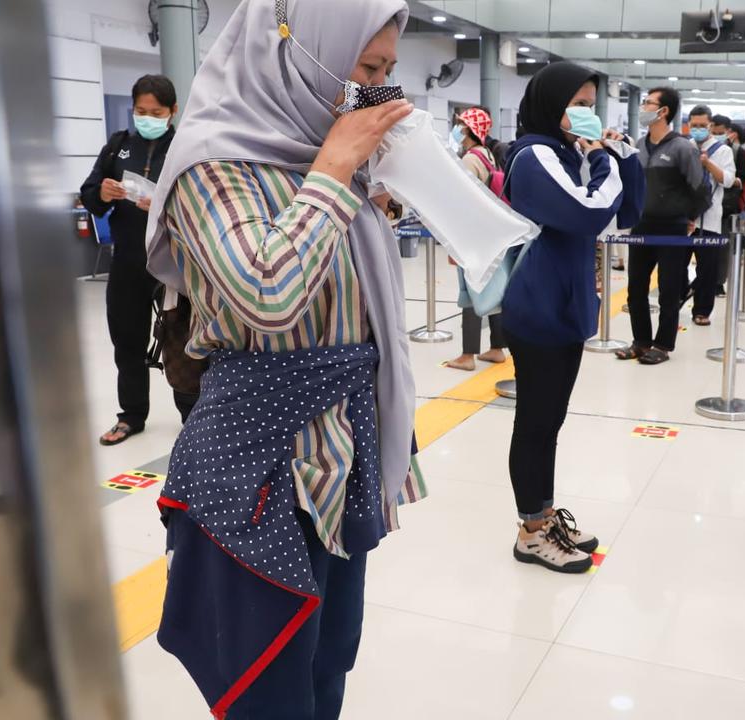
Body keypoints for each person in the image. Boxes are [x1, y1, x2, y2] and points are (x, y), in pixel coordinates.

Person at [141, 0, 428, 716]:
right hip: (258, 469)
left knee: (329, 665)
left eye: (388, 72)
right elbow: (265, 296)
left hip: (340, 457)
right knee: (268, 688)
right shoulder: (212, 164)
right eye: (366, 69)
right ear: (297, 51)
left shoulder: (323, 156)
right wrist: (335, 167)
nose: (375, 91)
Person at [501, 61, 644, 572]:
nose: (587, 114)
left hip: (566, 304)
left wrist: (624, 159)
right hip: (539, 305)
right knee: (536, 422)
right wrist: (605, 162)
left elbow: (626, 214)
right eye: (578, 105)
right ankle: (530, 532)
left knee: (550, 422)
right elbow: (587, 213)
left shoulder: (568, 152)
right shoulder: (534, 155)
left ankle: (542, 515)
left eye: (590, 104)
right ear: (551, 103)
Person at [80, 74, 196, 445]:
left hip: (173, 265)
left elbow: (201, 204)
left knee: (181, 341)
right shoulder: (118, 146)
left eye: (156, 112)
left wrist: (163, 205)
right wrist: (103, 192)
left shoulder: (185, 147)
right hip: (128, 261)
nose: (147, 118)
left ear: (173, 111)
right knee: (126, 340)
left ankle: (191, 417)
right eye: (140, 111)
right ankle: (131, 415)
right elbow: (89, 194)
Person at [615, 87, 703, 365]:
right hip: (642, 226)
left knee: (668, 289)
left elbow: (700, 188)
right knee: (635, 288)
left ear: (663, 111)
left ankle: (663, 344)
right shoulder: (639, 146)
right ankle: (641, 341)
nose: (643, 107)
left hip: (672, 229)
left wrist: (690, 218)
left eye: (648, 103)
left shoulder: (682, 147)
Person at [445, 107, 508, 371]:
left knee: (470, 293)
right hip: (489, 234)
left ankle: (467, 355)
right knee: (492, 291)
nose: (457, 129)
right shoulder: (488, 155)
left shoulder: (471, 159)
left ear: (469, 129)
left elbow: (461, 200)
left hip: (473, 236)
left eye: (460, 124)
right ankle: (496, 348)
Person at [688, 105, 737, 326]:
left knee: (707, 269)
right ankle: (681, 295)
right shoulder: (684, 146)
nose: (698, 129)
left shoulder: (723, 150)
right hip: (683, 218)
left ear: (710, 126)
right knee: (676, 265)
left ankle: (702, 310)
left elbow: (727, 180)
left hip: (710, 218)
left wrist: (708, 164)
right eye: (694, 125)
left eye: (702, 125)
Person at [716, 116, 745, 296]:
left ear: (728, 131)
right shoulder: (699, 148)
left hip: (726, 207)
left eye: (721, 132)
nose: (717, 135)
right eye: (714, 131)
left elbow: (741, 180)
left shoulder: (736, 151)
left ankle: (719, 281)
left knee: (722, 247)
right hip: (703, 207)